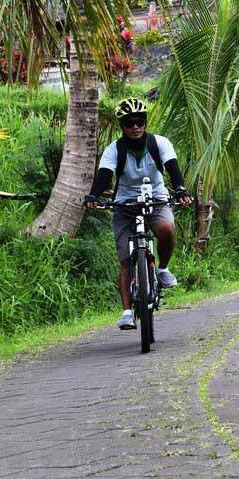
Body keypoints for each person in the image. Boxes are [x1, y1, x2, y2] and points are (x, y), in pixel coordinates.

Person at [85, 97, 193, 331]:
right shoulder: (114, 150)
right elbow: (104, 173)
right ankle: (126, 313)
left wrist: (181, 190)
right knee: (125, 259)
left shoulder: (159, 143)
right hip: (125, 204)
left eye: (139, 122)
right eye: (129, 123)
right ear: (122, 126)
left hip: (156, 197)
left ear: (145, 123)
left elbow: (173, 168)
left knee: (166, 228)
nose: (135, 127)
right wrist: (93, 195)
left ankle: (162, 269)